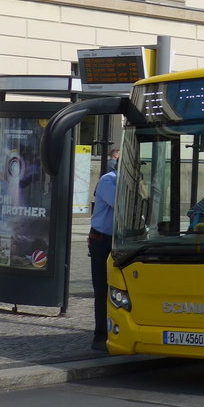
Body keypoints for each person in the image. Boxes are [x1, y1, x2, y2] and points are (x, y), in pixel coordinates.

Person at [90, 148, 118, 352]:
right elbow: (123, 204)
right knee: (102, 289)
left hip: (118, 239)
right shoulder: (109, 180)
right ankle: (100, 334)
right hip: (102, 240)